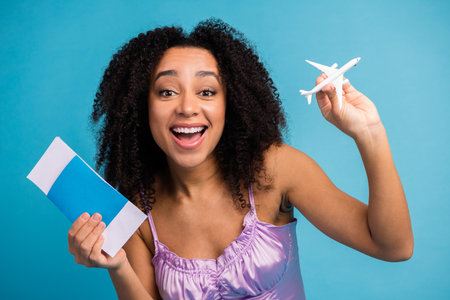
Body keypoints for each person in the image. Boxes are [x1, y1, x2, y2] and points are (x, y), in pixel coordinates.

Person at [67, 19, 413, 299]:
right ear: (142, 107)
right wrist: (119, 267)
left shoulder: (276, 170)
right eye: (167, 92)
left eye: (207, 91)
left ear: (229, 103)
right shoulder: (137, 206)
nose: (187, 107)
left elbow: (394, 247)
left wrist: (369, 133)